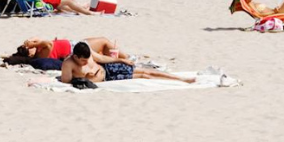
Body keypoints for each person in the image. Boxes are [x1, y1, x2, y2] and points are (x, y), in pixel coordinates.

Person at [61, 42, 195, 84]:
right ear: (76, 57)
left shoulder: (87, 51)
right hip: (108, 77)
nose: (85, 62)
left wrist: (120, 59)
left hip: (107, 67)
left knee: (145, 70)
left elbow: (101, 59)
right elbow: (66, 82)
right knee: (144, 76)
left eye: (87, 59)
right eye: (83, 60)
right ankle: (178, 81)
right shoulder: (68, 64)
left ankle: (181, 79)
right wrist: (84, 78)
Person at [7, 37, 129, 63]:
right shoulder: (40, 55)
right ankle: (124, 58)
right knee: (104, 41)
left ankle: (120, 57)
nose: (32, 47)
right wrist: (35, 43)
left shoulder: (38, 51)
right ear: (29, 54)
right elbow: (48, 43)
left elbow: (40, 40)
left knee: (103, 44)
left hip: (74, 44)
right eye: (30, 48)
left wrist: (32, 42)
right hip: (74, 48)